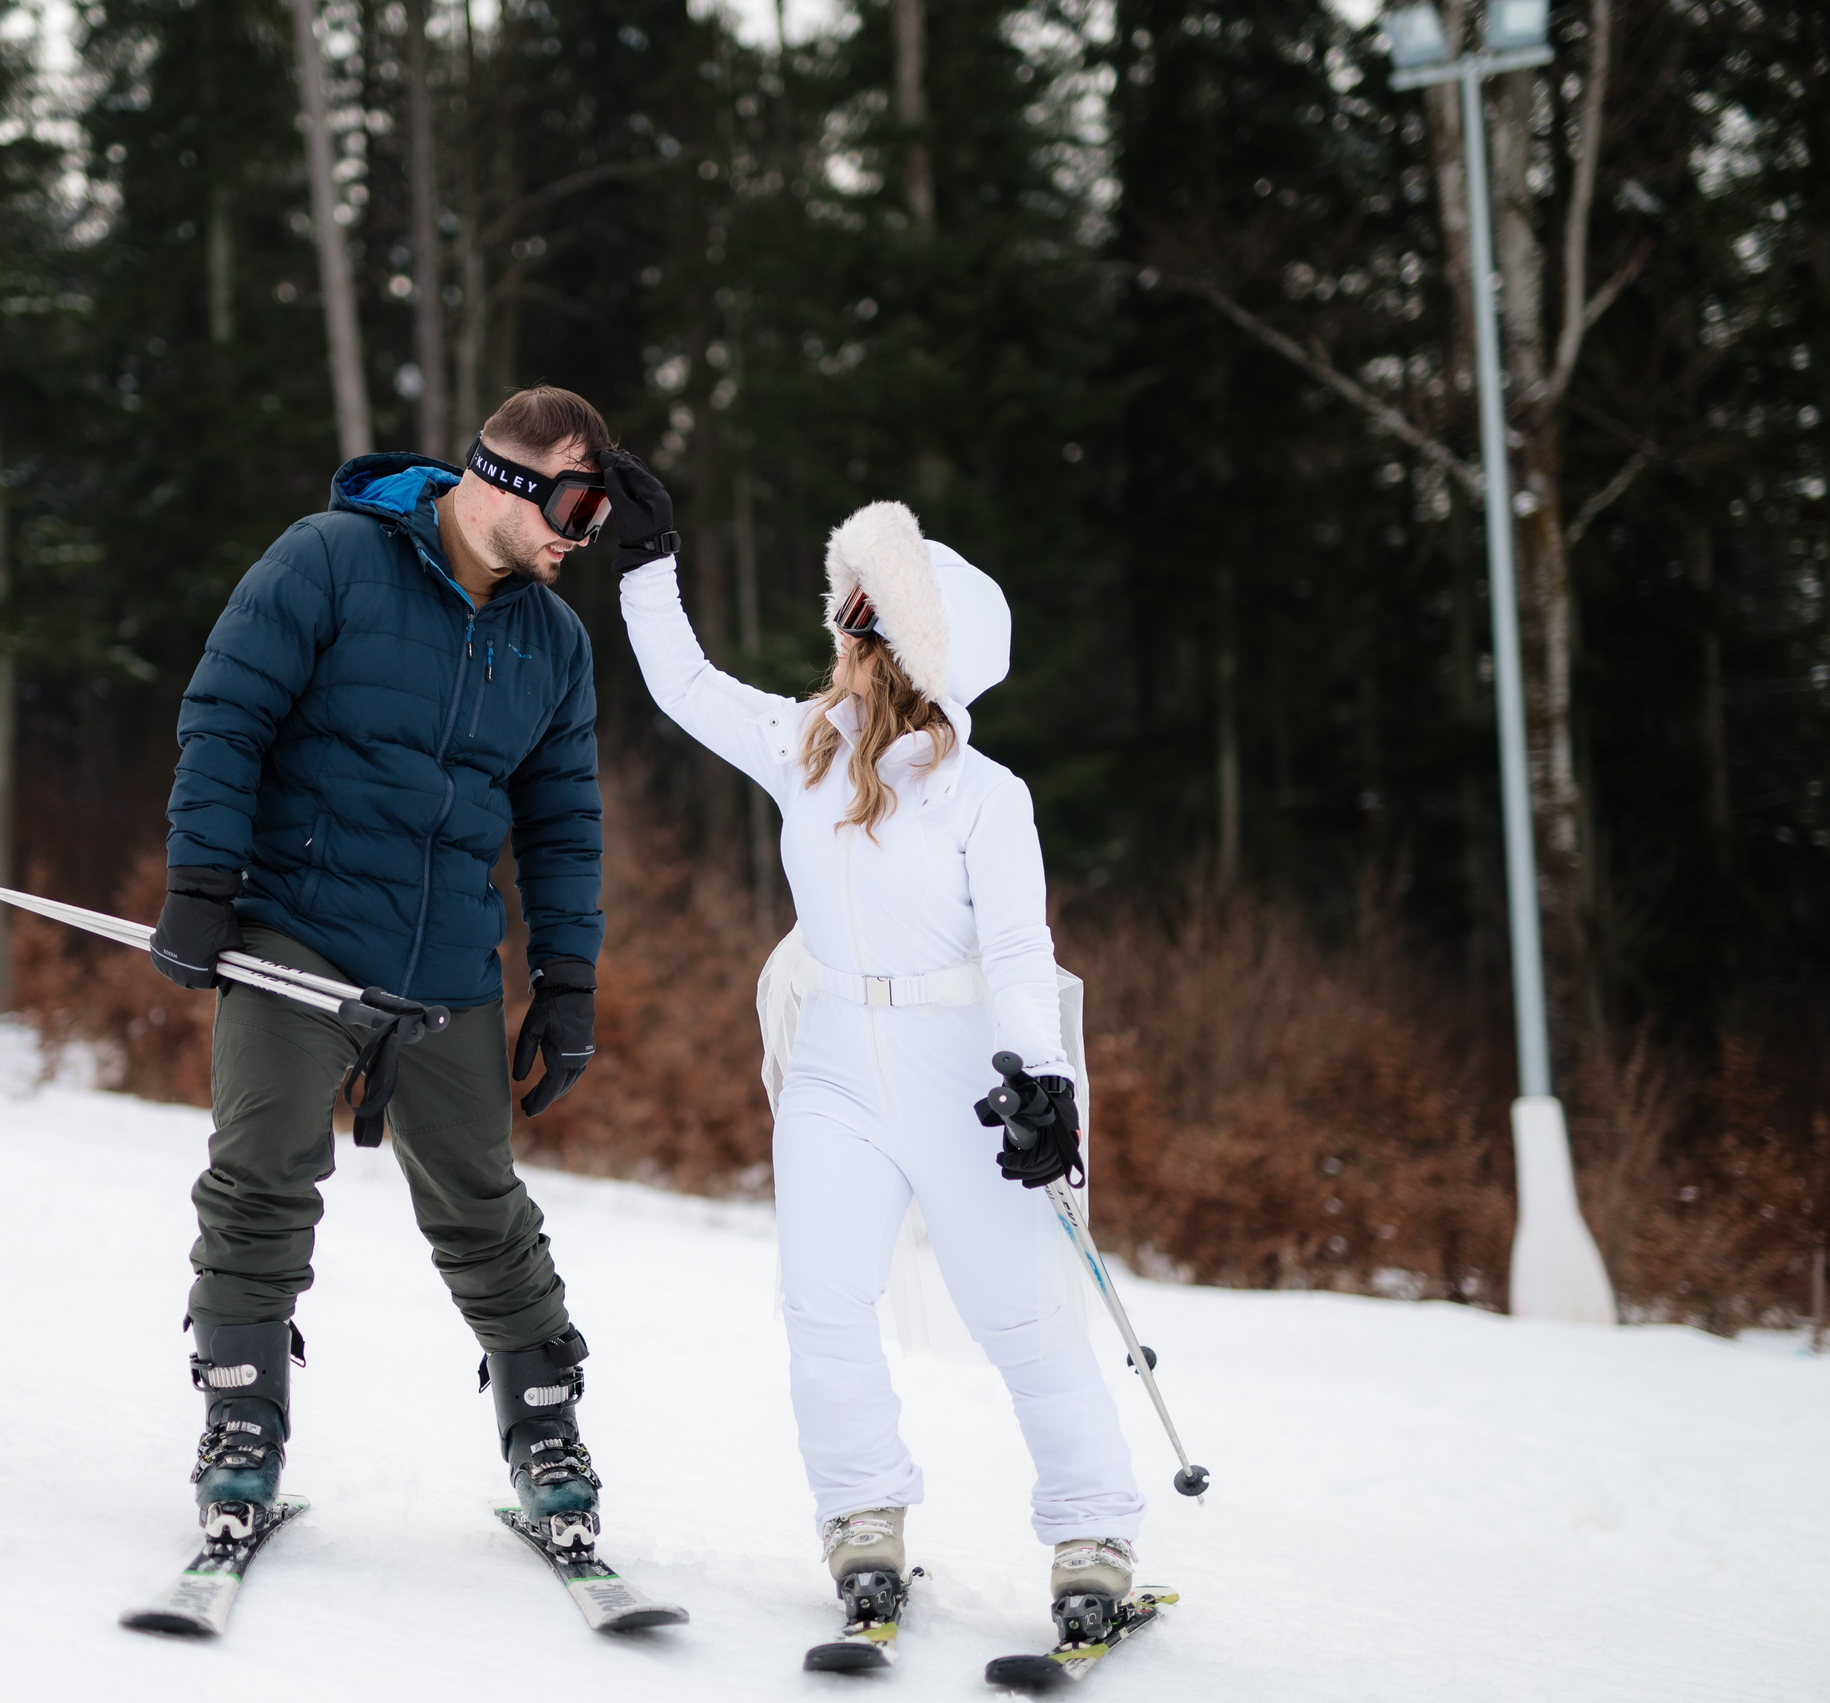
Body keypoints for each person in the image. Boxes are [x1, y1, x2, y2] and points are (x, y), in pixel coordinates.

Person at [603, 474, 1146, 1641]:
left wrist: (1038, 1078)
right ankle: (862, 1518)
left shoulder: (983, 797)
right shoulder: (804, 747)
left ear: (904, 647)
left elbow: (1015, 946)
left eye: (856, 619)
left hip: (960, 1067)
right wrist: (647, 566)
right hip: (838, 1063)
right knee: (822, 1301)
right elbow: (682, 685)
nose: (836, 636)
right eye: (842, 613)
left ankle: (1094, 1528)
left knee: (1019, 1316)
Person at [148, 386, 677, 1556]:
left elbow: (560, 821)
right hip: (298, 924)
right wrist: (199, 881)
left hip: (445, 960)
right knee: (262, 1177)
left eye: (601, 519)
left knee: (482, 1205)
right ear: (505, 477)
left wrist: (569, 976)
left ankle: (544, 1428)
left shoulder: (551, 639)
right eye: (576, 508)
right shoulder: (330, 560)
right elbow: (226, 713)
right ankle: (242, 1424)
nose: (578, 539)